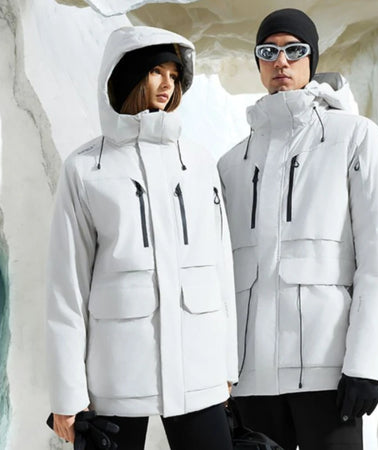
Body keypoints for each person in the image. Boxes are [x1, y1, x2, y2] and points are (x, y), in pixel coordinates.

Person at [46, 26, 237, 450]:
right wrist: (67, 394)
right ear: (128, 76)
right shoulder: (86, 168)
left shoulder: (198, 162)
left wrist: (227, 365)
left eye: (174, 74)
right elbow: (67, 287)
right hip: (117, 373)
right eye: (155, 71)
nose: (168, 83)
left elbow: (221, 265)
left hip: (198, 369)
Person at [218, 8, 378, 450]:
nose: (281, 61)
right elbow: (220, 278)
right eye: (268, 52)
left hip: (328, 372)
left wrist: (365, 367)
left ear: (311, 59)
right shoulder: (232, 163)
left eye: (294, 50)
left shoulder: (355, 137)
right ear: (258, 62)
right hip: (252, 380)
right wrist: (221, 375)